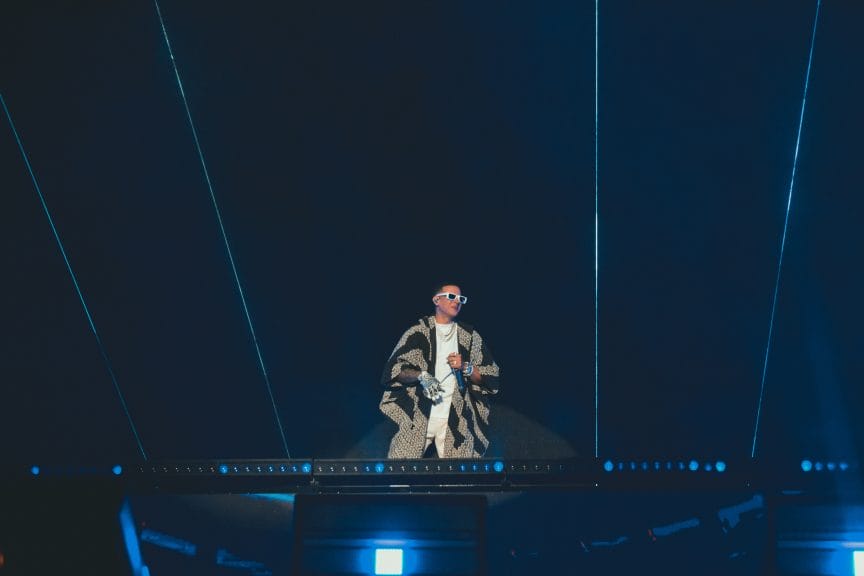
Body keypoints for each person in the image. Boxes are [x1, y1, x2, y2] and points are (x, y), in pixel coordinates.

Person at [379, 283, 501, 458]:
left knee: (460, 479)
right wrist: (422, 375)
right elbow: (394, 369)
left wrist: (466, 366)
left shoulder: (470, 337)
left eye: (461, 298)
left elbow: (491, 377)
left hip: (456, 419)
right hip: (419, 415)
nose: (457, 301)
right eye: (452, 297)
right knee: (400, 471)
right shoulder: (418, 333)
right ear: (437, 300)